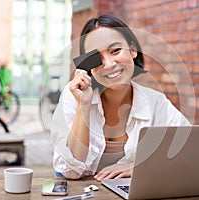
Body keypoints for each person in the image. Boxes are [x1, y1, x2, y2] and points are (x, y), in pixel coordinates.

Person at [50, 15, 190, 181]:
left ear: (132, 50)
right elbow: (70, 171)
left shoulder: (156, 102)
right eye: (97, 58)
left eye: (115, 50)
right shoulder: (74, 95)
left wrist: (140, 167)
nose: (109, 64)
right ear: (88, 65)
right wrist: (83, 105)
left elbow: (190, 152)